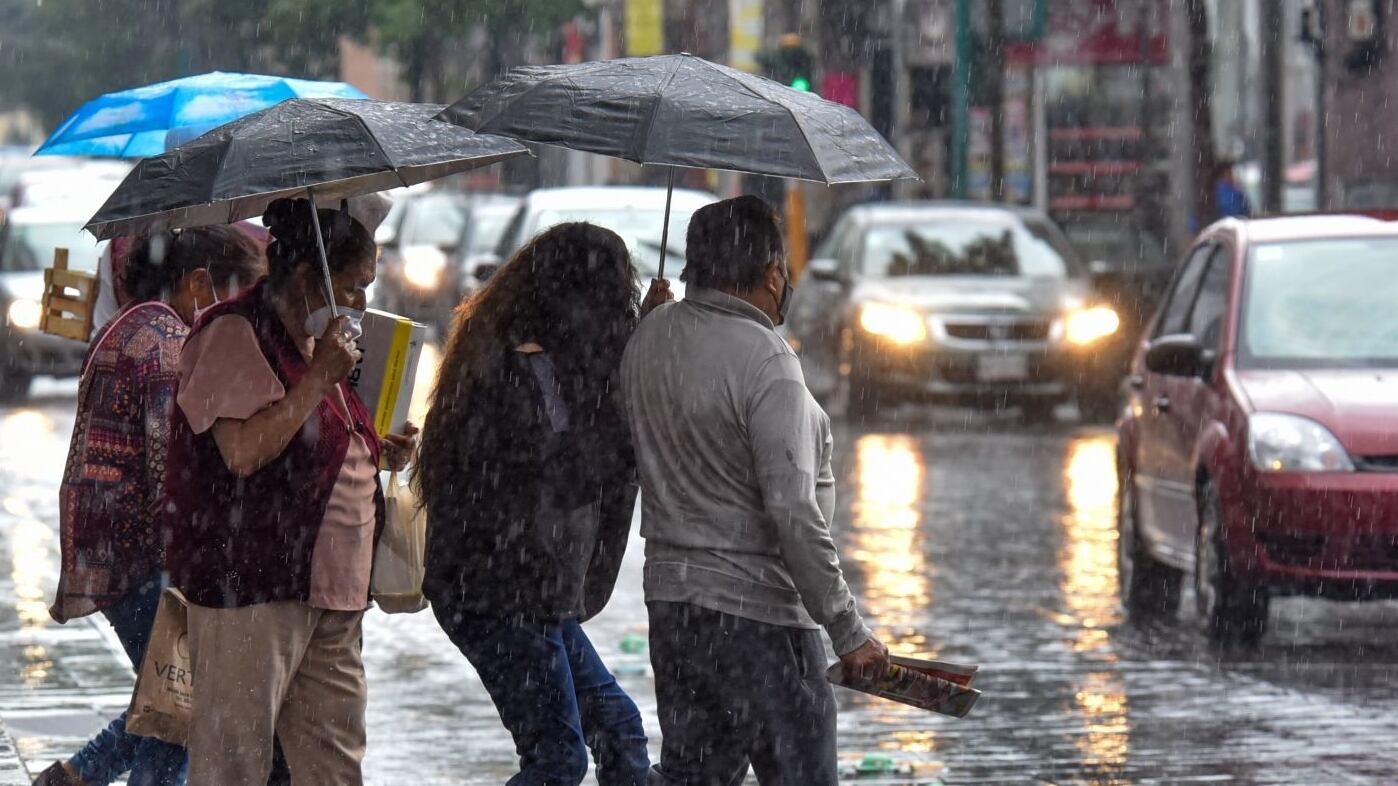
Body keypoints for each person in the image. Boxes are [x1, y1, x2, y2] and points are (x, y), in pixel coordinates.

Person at [620, 196, 890, 785]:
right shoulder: (768, 361)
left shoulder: (648, 339)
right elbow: (793, 510)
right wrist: (848, 630)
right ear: (771, 274)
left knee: (697, 776)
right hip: (761, 620)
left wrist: (650, 324)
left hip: (675, 612)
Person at [163, 197, 416, 786]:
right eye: (354, 286)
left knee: (333, 761)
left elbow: (316, 440)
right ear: (309, 279)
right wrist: (321, 377)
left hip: (332, 589)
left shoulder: (315, 341)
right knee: (234, 764)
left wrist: (375, 444)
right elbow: (245, 452)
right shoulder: (234, 333)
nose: (361, 302)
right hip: (252, 584)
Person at [415, 223, 655, 786]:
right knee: (557, 758)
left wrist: (642, 337)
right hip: (498, 591)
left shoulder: (551, 360)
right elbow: (567, 472)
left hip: (532, 590)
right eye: (616, 297)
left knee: (617, 730)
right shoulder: (513, 369)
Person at [39, 226, 265, 786]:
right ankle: (83, 774)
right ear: (197, 283)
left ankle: (78, 774)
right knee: (183, 706)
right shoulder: (167, 346)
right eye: (235, 297)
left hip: (117, 547)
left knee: (172, 694)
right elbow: (173, 468)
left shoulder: (137, 322)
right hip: (143, 555)